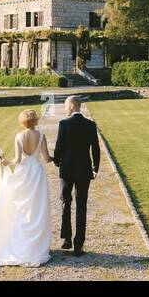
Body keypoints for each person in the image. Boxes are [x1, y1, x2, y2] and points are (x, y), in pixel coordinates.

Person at [0, 108, 53, 266]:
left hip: (23, 173)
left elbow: (17, 159)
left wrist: (6, 162)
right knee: (36, 209)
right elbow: (46, 158)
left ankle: (21, 243)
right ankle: (35, 247)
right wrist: (56, 157)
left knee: (20, 208)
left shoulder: (19, 136)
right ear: (35, 121)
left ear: (23, 121)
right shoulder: (41, 136)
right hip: (37, 173)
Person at [51, 95, 100, 256]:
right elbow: (95, 148)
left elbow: (59, 146)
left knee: (65, 201)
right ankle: (79, 243)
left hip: (67, 169)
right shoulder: (90, 124)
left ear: (72, 106)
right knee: (81, 204)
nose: (65, 109)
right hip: (84, 169)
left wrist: (57, 161)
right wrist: (95, 168)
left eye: (66, 106)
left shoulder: (64, 124)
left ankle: (66, 239)